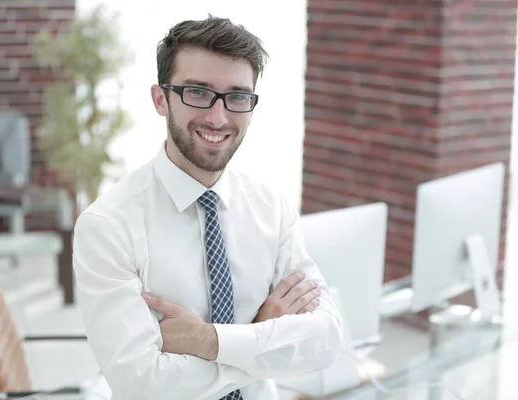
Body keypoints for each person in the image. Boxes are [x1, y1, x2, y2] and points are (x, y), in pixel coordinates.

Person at [73, 15, 343, 400]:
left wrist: (210, 340)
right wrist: (261, 340)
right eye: (198, 92)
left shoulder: (271, 207)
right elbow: (142, 383)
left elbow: (326, 340)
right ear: (160, 99)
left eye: (237, 97)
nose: (218, 118)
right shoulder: (108, 226)